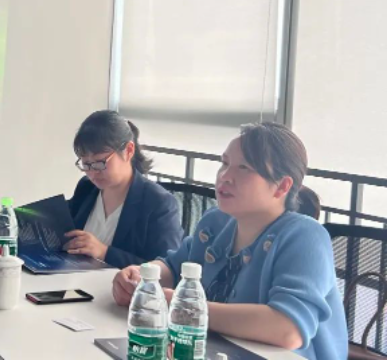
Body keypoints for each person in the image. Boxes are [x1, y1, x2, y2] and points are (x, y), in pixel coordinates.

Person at [111, 122, 347, 360]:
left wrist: (184, 308)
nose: (225, 176)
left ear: (282, 186)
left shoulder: (305, 236)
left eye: (244, 168)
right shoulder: (216, 222)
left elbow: (288, 328)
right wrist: (141, 276)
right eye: (224, 163)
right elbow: (174, 267)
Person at [65, 110, 183, 269]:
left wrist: (104, 252)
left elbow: (167, 269)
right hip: (74, 279)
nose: (92, 172)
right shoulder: (87, 187)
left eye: (100, 163)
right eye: (86, 164)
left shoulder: (159, 203)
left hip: (118, 285)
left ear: (128, 151)